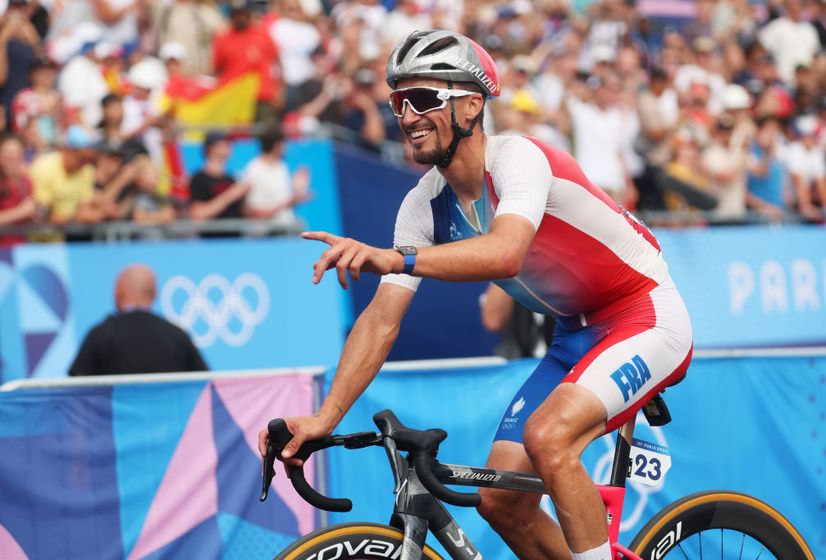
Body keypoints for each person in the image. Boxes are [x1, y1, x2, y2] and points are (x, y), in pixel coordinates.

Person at [260, 30, 693, 560]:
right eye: (398, 101)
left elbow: (505, 253)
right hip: (574, 335)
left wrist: (392, 257)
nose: (407, 115)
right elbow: (380, 320)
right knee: (500, 501)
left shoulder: (519, 159)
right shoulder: (423, 205)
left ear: (471, 105)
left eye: (422, 99)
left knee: (549, 438)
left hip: (644, 313)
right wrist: (325, 418)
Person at [69, 263, 207, 375]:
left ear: (118, 291)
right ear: (154, 294)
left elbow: (76, 392)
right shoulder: (177, 336)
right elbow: (206, 384)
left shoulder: (100, 336)